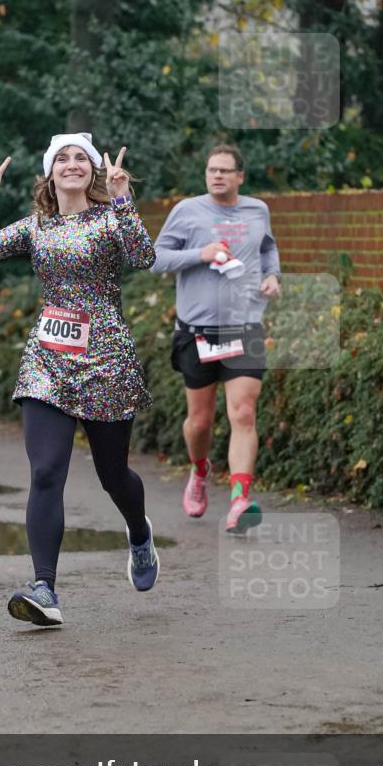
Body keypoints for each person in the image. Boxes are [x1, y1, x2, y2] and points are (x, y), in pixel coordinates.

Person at [0, 134, 159, 626]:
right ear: (50, 174)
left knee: (114, 475)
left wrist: (123, 198)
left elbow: (144, 257)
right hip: (47, 359)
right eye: (62, 159)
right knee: (46, 472)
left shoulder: (112, 218)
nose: (72, 165)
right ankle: (44, 587)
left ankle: (138, 531)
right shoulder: (36, 226)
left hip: (107, 359)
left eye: (81, 159)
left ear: (93, 172)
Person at [151, 144, 281, 534]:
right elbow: (156, 258)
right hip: (197, 332)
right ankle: (200, 469)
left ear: (241, 176)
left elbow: (268, 250)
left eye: (226, 170)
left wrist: (273, 277)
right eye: (212, 170)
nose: (218, 176)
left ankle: (240, 500)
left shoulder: (258, 210)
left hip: (245, 326)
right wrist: (201, 254)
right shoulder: (187, 211)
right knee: (200, 422)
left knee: (243, 412)